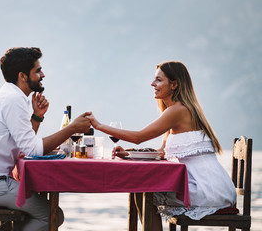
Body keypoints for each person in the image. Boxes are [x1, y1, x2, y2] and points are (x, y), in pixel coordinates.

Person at [87, 61, 236, 230]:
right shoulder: (177, 110)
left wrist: (99, 126)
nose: (152, 84)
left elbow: (139, 137)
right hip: (207, 185)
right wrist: (128, 154)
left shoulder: (178, 110)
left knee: (144, 191)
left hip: (207, 189)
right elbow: (161, 153)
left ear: (174, 85)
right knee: (140, 190)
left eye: (158, 80)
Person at [0, 47, 91, 231]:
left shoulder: (10, 96)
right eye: (37, 70)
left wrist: (36, 117)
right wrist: (72, 128)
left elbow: (24, 146)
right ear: (22, 75)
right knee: (51, 216)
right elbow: (33, 150)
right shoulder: (13, 99)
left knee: (37, 215)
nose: (42, 74)